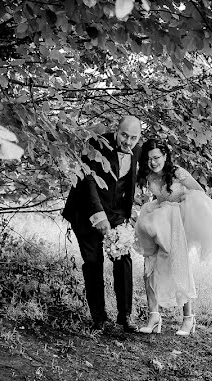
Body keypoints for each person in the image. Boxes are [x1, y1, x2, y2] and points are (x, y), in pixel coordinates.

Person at [133, 139, 212, 336]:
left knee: (179, 266)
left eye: (157, 157)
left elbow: (199, 193)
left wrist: (181, 203)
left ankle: (188, 319)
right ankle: (153, 316)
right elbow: (158, 196)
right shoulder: (148, 175)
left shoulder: (177, 172)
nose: (153, 162)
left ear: (165, 156)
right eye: (149, 159)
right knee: (149, 267)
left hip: (177, 223)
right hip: (158, 222)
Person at [62, 116, 142, 332]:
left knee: (123, 259)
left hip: (115, 213)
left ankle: (125, 316)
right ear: (117, 130)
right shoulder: (95, 144)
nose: (128, 141)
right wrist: (98, 216)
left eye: (133, 138)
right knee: (93, 262)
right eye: (124, 135)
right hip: (85, 209)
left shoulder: (138, 150)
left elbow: (135, 180)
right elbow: (87, 181)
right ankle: (99, 318)